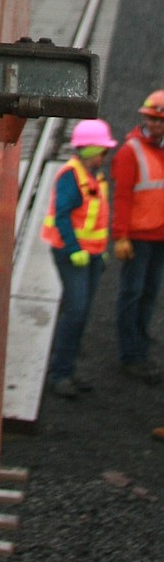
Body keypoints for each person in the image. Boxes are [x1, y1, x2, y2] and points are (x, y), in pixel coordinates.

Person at [41, 118, 115, 399]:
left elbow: (96, 219)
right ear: (88, 150)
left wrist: (100, 250)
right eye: (102, 150)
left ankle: (68, 369)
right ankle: (60, 374)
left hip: (92, 255)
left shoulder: (93, 174)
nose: (104, 155)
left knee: (80, 312)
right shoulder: (72, 177)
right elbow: (62, 217)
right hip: (73, 255)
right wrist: (73, 249)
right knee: (75, 311)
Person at [111, 89, 164, 384]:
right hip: (139, 238)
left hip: (160, 237)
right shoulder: (130, 152)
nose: (156, 126)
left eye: (161, 121)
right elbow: (121, 197)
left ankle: (141, 343)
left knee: (149, 293)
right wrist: (121, 236)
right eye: (152, 120)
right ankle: (130, 355)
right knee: (132, 294)